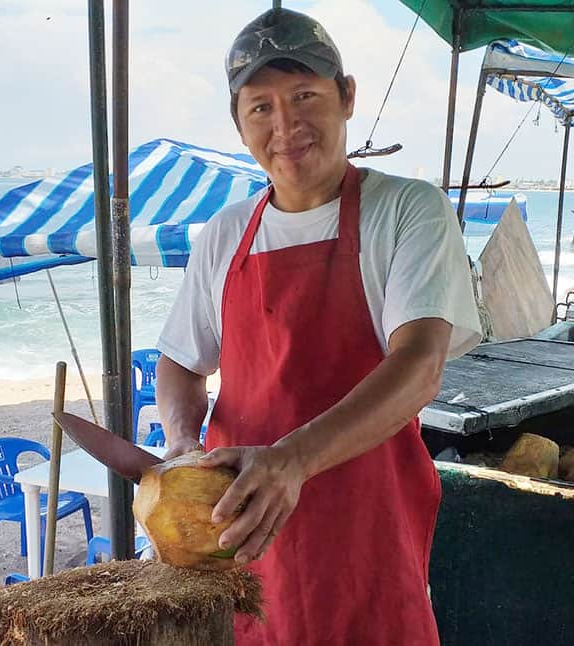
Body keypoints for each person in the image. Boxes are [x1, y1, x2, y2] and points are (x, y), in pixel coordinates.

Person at [155, 7, 481, 645]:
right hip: (241, 544)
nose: (286, 126)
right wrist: (179, 444)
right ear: (239, 123)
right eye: (261, 107)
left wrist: (290, 462)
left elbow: (419, 366)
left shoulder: (407, 210)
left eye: (305, 96)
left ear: (347, 96)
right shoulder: (225, 233)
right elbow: (179, 361)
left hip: (367, 538)